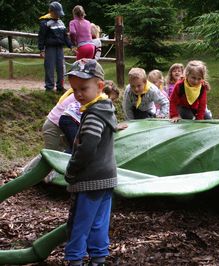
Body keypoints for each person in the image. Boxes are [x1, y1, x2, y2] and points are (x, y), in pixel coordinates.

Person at [64, 59, 117, 266]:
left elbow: (87, 148)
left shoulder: (94, 115)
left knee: (79, 223)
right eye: (74, 89)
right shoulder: (106, 108)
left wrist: (71, 170)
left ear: (100, 86)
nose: (78, 94)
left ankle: (74, 260)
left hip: (89, 179)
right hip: (107, 177)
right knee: (99, 222)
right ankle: (98, 258)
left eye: (83, 88)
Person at [59, 80, 121, 153]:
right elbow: (107, 118)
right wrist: (115, 126)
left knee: (76, 144)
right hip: (69, 119)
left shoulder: (95, 99)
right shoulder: (99, 102)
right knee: (77, 147)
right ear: (106, 95)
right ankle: (63, 160)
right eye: (112, 99)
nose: (112, 103)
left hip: (69, 118)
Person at [38, 1, 73, 92]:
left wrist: (70, 46)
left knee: (61, 67)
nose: (58, 16)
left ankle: (60, 87)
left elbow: (65, 35)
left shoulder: (61, 22)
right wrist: (41, 49)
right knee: (50, 67)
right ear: (51, 12)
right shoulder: (45, 23)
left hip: (60, 48)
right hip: (50, 48)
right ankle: (49, 87)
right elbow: (41, 36)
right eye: (57, 13)